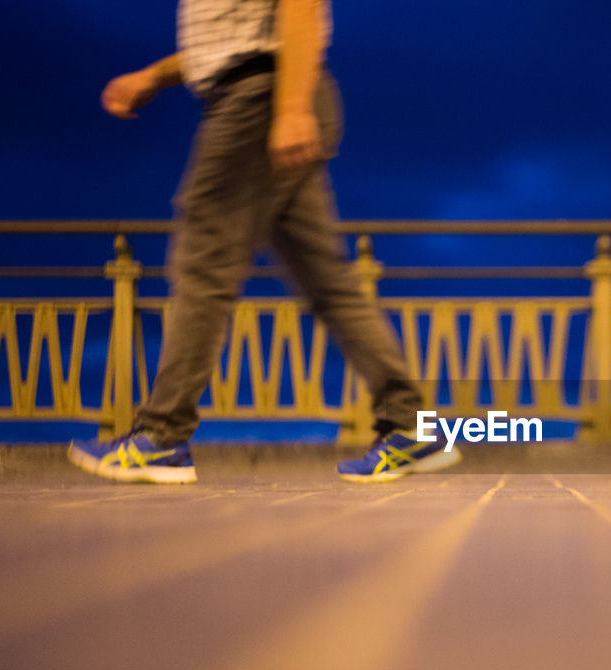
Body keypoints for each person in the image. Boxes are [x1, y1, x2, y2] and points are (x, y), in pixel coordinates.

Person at [67, 0, 459, 485]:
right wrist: (152, 76)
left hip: (261, 97)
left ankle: (162, 436)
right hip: (272, 87)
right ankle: (409, 427)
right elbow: (225, 42)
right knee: (327, 283)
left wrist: (291, 108)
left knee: (204, 264)